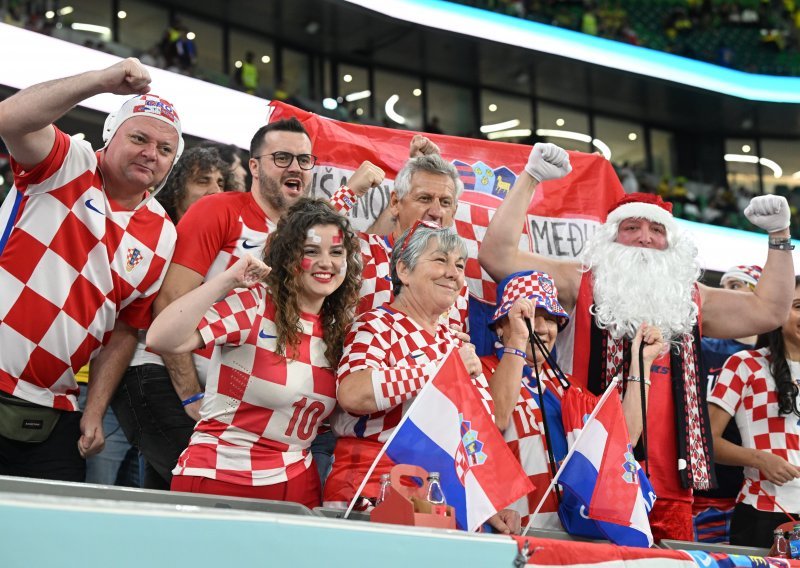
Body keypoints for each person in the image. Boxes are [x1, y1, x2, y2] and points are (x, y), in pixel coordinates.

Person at [479, 142, 795, 540]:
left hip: (673, 485)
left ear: (672, 243)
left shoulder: (695, 297)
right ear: (610, 238)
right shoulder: (583, 280)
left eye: (656, 229)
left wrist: (780, 238)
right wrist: (532, 178)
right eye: (631, 228)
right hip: (591, 474)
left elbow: (770, 311)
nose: (644, 238)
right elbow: (498, 255)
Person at [120, 117, 382, 489]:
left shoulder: (303, 234)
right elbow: (170, 303)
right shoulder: (219, 210)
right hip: (171, 373)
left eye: (304, 160)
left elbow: (320, 243)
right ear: (254, 166)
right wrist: (190, 394)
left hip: (258, 402)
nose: (295, 167)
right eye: (282, 157)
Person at [0, 58, 181, 481]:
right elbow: (9, 118)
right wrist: (101, 81)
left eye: (165, 149)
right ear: (110, 135)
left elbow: (125, 329)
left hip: (57, 408)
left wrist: (94, 410)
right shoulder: (70, 161)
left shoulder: (163, 233)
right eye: (139, 137)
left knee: (49, 538)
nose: (150, 153)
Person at [146, 198, 361, 507]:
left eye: (337, 252)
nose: (326, 263)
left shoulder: (341, 330)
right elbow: (161, 338)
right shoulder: (254, 305)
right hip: (218, 477)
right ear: (288, 255)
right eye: (311, 251)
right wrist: (227, 281)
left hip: (295, 486)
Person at [325, 221, 519, 534]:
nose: (454, 273)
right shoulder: (376, 325)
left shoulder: (456, 341)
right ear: (403, 270)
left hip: (446, 495)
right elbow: (352, 393)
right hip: (376, 488)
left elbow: (482, 426)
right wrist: (439, 371)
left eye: (458, 265)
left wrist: (486, 501)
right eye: (441, 260)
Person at [482, 270, 663, 529]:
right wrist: (519, 340)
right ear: (501, 325)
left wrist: (641, 364)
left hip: (567, 531)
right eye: (531, 317)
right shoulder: (481, 370)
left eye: (551, 319)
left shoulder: (568, 386)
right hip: (509, 526)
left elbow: (623, 440)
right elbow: (498, 416)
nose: (543, 328)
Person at [112, 145, 227, 488]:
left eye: (221, 181)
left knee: (164, 491)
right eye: (203, 181)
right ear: (177, 188)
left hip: (192, 377)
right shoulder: (158, 233)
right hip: (148, 368)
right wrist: (190, 392)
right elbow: (164, 310)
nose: (215, 190)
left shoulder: (219, 240)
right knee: (196, 479)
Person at [708, 277, 800, 548]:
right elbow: (706, 444)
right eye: (797, 306)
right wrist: (760, 459)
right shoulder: (745, 364)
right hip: (765, 511)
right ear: (779, 312)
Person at [356, 137, 468, 330]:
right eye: (424, 198)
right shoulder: (360, 252)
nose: (436, 211)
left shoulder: (456, 277)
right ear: (395, 203)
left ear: (454, 212)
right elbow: (298, 244)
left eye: (445, 202)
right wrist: (349, 192)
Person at [693, 264, 763, 543]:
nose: (725, 295)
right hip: (703, 487)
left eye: (735, 286)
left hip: (754, 489)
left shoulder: (772, 358)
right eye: (723, 287)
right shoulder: (704, 347)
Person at [155, 145, 227, 221]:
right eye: (203, 182)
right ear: (176, 188)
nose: (217, 191)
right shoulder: (157, 230)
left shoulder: (233, 231)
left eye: (220, 185)